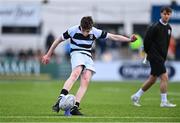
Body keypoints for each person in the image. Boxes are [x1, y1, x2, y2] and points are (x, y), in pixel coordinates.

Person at [42, 16, 137, 115]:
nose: (85, 33)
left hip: (88, 56)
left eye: (87, 31)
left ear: (91, 28)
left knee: (86, 79)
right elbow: (58, 40)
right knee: (76, 73)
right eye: (83, 30)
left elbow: (113, 36)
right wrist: (48, 54)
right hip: (76, 53)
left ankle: (75, 107)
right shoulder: (72, 30)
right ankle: (60, 99)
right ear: (80, 26)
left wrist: (129, 40)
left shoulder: (95, 31)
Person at [131, 7, 176, 107]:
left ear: (170, 15)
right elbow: (147, 41)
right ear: (161, 14)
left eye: (168, 14)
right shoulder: (154, 27)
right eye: (165, 14)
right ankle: (163, 102)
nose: (166, 16)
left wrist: (164, 56)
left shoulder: (169, 28)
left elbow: (166, 44)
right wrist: (147, 54)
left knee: (152, 80)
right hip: (154, 56)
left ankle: (136, 96)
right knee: (165, 77)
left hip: (161, 57)